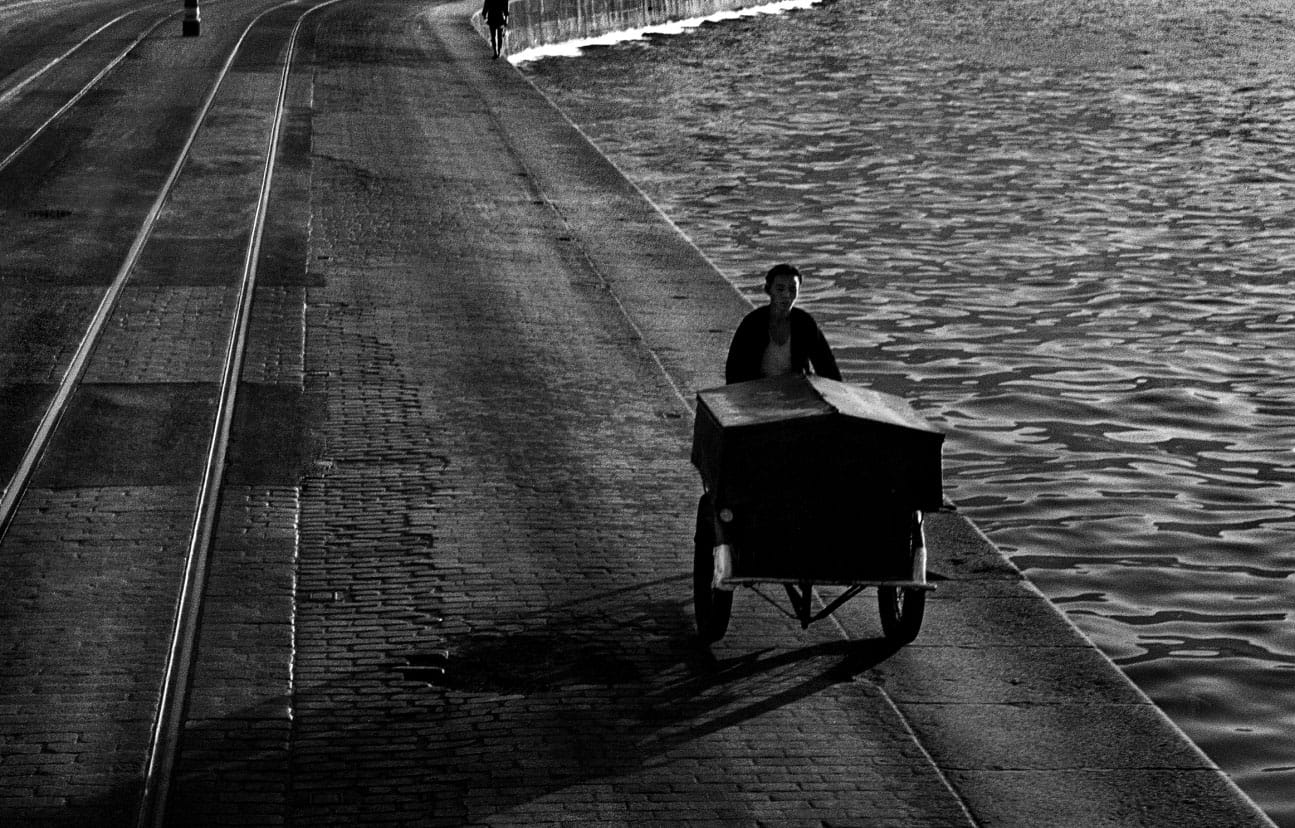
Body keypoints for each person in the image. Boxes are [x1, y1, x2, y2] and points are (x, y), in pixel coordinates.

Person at [724, 263, 841, 384]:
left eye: (792, 289)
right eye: (780, 289)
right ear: (769, 290)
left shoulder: (804, 323)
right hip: (758, 390)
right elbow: (734, 369)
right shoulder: (752, 323)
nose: (786, 295)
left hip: (794, 389)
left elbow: (827, 368)